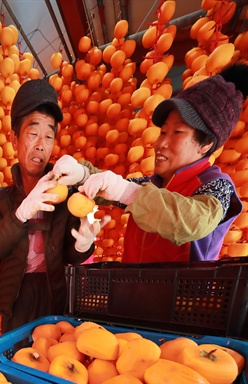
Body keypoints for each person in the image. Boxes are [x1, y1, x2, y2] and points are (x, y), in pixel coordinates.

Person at [52, 62, 248, 263]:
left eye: (177, 133)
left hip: (183, 294)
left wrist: (124, 191)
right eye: (162, 132)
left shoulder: (217, 187)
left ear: (205, 144)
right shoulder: (155, 184)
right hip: (133, 291)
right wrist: (82, 174)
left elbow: (194, 221)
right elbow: (111, 190)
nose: (161, 143)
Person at [0, 78, 108, 333]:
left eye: (49, 136)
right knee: (15, 360)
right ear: (14, 139)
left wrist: (84, 244)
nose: (41, 144)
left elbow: (71, 254)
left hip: (55, 295)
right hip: (16, 298)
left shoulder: (67, 195)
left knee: (54, 357)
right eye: (33, 133)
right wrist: (21, 213)